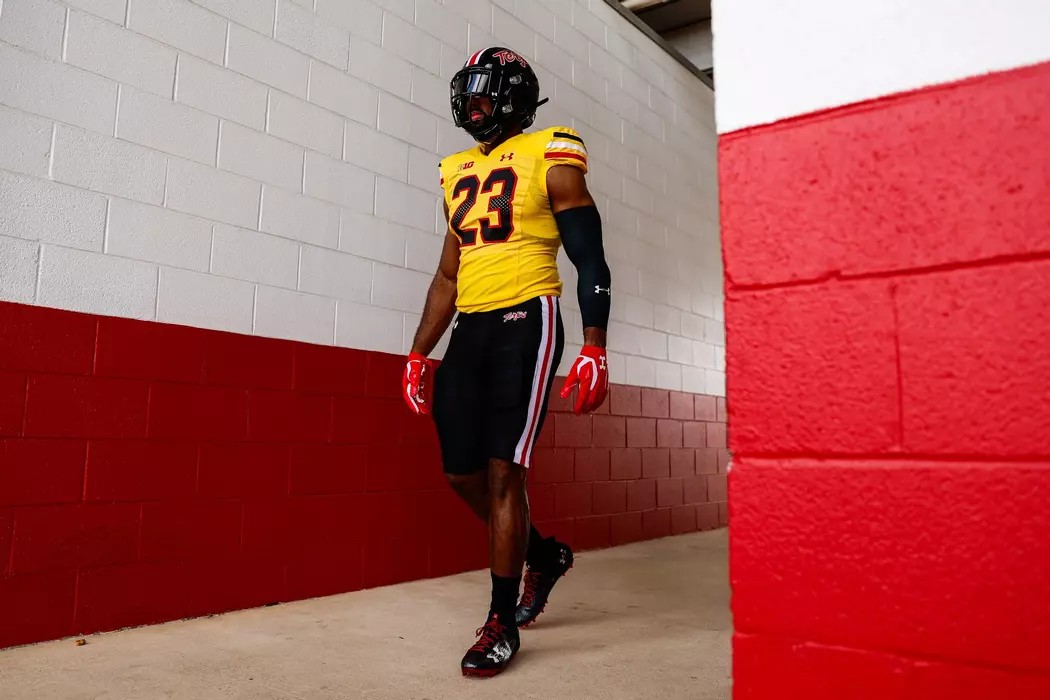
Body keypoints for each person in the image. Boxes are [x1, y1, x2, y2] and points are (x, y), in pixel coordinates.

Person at [401, 46, 612, 678]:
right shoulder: (456, 170)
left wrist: (595, 343)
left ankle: (500, 620)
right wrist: (418, 351)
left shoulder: (552, 150)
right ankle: (542, 555)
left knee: (503, 474)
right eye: (466, 93)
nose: (472, 104)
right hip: (470, 327)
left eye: (484, 92)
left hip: (528, 318)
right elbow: (448, 273)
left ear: (515, 96)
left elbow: (589, 254)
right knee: (460, 473)